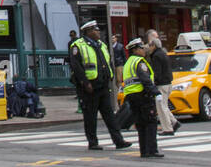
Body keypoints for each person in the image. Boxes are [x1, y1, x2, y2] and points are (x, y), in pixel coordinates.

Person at [69, 20, 131, 152]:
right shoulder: (77, 45)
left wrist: (110, 76)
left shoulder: (101, 45)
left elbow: (107, 61)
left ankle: (118, 141)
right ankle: (92, 142)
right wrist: (85, 83)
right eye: (95, 30)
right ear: (88, 32)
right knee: (90, 116)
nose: (98, 32)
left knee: (109, 115)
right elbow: (76, 66)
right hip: (89, 87)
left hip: (103, 85)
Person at [123, 36, 161, 159]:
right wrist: (156, 92)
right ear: (135, 50)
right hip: (142, 95)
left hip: (131, 96)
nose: (144, 50)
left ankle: (144, 151)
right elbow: (145, 78)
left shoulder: (128, 63)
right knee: (150, 122)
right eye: (141, 48)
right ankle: (152, 150)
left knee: (140, 124)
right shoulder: (139, 62)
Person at [146, 30, 179, 137]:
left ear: (154, 46)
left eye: (150, 46)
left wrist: (154, 84)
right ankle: (174, 122)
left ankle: (168, 129)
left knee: (161, 107)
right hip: (168, 83)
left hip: (162, 84)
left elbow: (157, 72)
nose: (149, 48)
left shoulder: (156, 56)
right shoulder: (163, 53)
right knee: (164, 105)